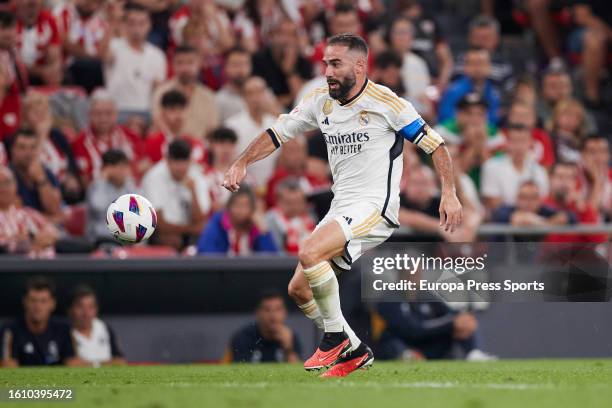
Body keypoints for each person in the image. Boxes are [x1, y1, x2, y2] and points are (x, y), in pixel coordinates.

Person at [222, 33, 462, 377]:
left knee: (309, 252)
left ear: (359, 65)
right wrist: (242, 162)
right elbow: (278, 133)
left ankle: (333, 337)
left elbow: (436, 146)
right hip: (342, 207)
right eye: (325, 64)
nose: (328, 71)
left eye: (335, 64)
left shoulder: (386, 102)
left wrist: (449, 192)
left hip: (374, 206)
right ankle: (354, 348)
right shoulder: (320, 101)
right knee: (299, 289)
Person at [142, 139, 210, 250]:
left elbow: (200, 219)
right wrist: (192, 229)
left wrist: (193, 193)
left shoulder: (197, 176)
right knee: (172, 240)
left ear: (190, 161)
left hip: (186, 232)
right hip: (157, 233)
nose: (180, 167)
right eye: (176, 162)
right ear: (167, 161)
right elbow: (159, 224)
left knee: (206, 238)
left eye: (184, 162)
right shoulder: (154, 177)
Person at [104, 2, 166, 123]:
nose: (136, 29)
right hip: (118, 110)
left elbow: (158, 90)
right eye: (131, 23)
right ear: (124, 25)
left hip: (145, 113)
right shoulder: (114, 46)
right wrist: (113, 22)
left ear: (149, 25)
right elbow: (102, 54)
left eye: (142, 23)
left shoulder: (158, 55)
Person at [0, 277, 81, 367]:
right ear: (25, 302)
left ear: (52, 304)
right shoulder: (10, 329)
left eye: (43, 301)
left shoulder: (64, 328)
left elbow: (73, 364)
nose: (38, 306)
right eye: (33, 300)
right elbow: (7, 366)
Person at [71, 89, 143, 186]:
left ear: (116, 114)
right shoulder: (79, 143)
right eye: (98, 114)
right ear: (89, 115)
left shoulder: (131, 136)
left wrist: (130, 170)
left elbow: (146, 163)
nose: (103, 118)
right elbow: (83, 181)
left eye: (108, 113)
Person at [151, 45, 219, 140]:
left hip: (200, 150)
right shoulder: (162, 92)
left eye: (190, 62)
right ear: (173, 65)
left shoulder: (208, 96)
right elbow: (157, 124)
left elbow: (212, 131)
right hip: (169, 148)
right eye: (180, 63)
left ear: (199, 64)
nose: (185, 68)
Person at [480, 123, 549, 212]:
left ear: (530, 143)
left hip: (533, 220)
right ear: (507, 142)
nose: (519, 146)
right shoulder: (491, 166)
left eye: (523, 141)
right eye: (514, 141)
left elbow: (542, 201)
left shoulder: (539, 170)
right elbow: (493, 203)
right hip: (502, 221)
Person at [224, 76, 278, 188]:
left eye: (259, 92)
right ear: (244, 97)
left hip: (272, 188)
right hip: (243, 187)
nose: (255, 98)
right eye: (250, 93)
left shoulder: (276, 123)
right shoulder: (232, 126)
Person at [197, 186, 277, 255]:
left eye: (245, 206)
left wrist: (263, 230)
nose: (240, 210)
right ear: (229, 206)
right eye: (236, 205)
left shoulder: (256, 228)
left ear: (252, 209)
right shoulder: (218, 223)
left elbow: (271, 258)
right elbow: (205, 251)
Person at [251, 19, 313, 107]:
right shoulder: (258, 59)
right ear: (272, 36)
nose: (287, 39)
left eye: (292, 35)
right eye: (282, 33)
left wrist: (290, 70)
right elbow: (257, 97)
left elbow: (303, 98)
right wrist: (288, 99)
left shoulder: (303, 61)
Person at [227, 290, 301, 363]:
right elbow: (240, 370)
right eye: (267, 310)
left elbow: (297, 371)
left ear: (285, 312)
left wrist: (288, 349)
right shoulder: (243, 337)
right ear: (258, 313)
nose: (273, 316)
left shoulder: (290, 336)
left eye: (278, 309)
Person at [0, 165, 58, 257]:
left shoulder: (29, 214)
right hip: (10, 267)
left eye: (7, 182)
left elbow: (54, 233)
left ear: (15, 185)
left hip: (47, 266)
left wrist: (45, 238)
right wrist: (31, 242)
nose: (3, 188)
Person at [9, 128, 63, 221]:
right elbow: (17, 217)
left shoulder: (46, 172)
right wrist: (49, 218)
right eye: (22, 147)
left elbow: (54, 209)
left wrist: (41, 179)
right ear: (13, 150)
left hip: (48, 229)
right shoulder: (6, 176)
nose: (28, 153)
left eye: (33, 147)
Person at [86, 149, 137, 245]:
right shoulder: (97, 186)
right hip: (102, 238)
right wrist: (103, 179)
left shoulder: (128, 186)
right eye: (120, 167)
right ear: (108, 169)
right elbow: (99, 207)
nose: (124, 171)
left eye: (125, 166)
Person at [438, 47, 500, 125]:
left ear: (489, 66)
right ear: (465, 67)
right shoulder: (454, 90)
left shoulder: (493, 92)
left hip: (484, 132)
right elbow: (445, 116)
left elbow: (494, 118)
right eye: (473, 64)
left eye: (481, 63)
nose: (478, 68)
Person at [146, 89, 207, 166]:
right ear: (162, 113)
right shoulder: (154, 142)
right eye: (172, 109)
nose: (178, 114)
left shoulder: (196, 145)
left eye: (181, 109)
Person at [69, 285, 126, 366]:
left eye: (90, 307)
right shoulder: (65, 332)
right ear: (70, 309)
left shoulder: (104, 327)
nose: (86, 313)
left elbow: (120, 361)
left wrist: (92, 364)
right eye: (80, 307)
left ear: (96, 309)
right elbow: (71, 363)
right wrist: (104, 364)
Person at [14, 0, 61, 85]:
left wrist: (53, 72)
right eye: (28, 5)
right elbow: (11, 61)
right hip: (15, 74)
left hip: (41, 75)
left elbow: (55, 57)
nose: (32, 3)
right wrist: (41, 72)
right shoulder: (7, 20)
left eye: (35, 5)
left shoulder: (49, 20)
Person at [265, 178, 316, 255]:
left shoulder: (312, 216)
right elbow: (274, 250)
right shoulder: (271, 219)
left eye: (298, 202)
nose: (294, 207)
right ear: (278, 202)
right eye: (289, 203)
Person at [205, 127, 239, 211]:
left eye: (231, 144)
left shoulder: (246, 177)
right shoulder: (204, 176)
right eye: (221, 143)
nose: (226, 149)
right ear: (212, 145)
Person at [215, 47, 251, 122]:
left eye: (244, 64)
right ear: (226, 68)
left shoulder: (263, 94)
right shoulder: (219, 100)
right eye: (236, 65)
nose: (241, 70)